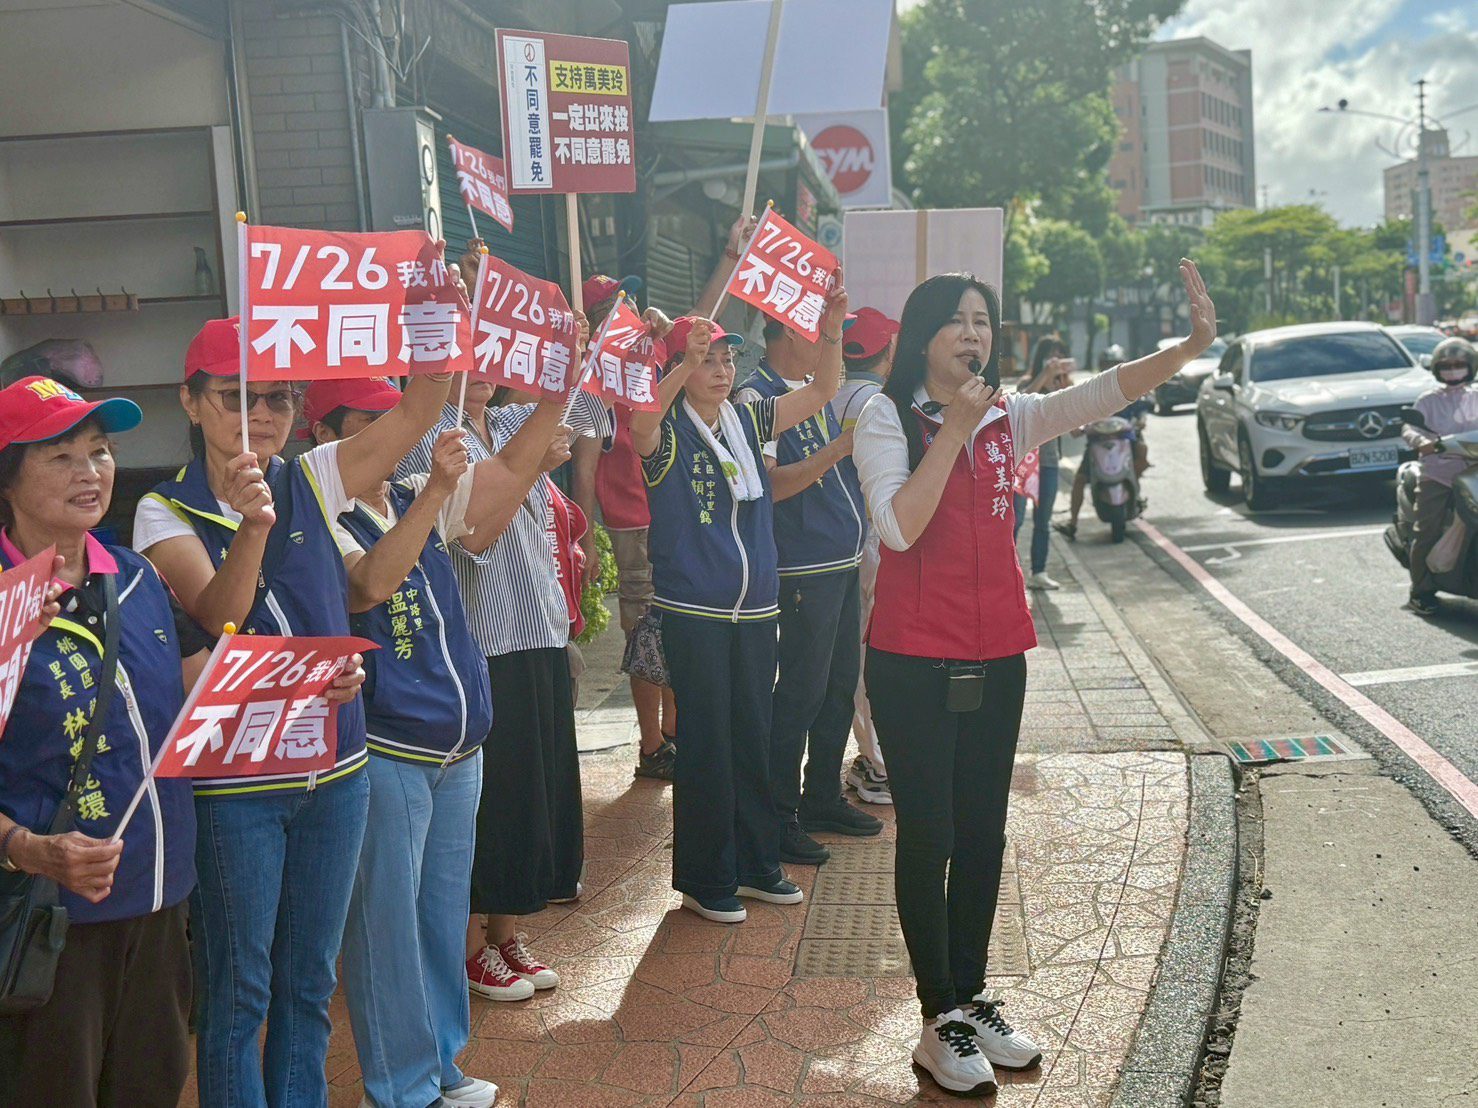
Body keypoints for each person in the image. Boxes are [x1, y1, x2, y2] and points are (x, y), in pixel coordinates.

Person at [853, 262, 1216, 1097]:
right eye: (958, 320)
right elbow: (897, 528)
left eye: (983, 320)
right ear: (924, 335)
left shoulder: (1009, 417)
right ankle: (937, 1017)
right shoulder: (884, 416)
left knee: (984, 834)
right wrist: (952, 430)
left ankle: (971, 996)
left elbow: (1101, 393)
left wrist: (1188, 348)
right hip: (911, 660)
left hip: (997, 654)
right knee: (932, 834)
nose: (974, 334)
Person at [134, 318, 447, 1107]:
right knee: (239, 991)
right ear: (191, 402)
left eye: (278, 399)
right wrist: (253, 523)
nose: (260, 415)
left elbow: (419, 411)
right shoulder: (163, 510)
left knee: (308, 983)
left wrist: (435, 316)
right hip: (236, 785)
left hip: (336, 772)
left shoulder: (315, 474)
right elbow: (219, 615)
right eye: (235, 397)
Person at [307, 376, 560, 1108]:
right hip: (390, 749)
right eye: (365, 425)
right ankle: (399, 1087)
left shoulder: (411, 493)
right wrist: (434, 495)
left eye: (392, 419)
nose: (386, 437)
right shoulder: (320, 513)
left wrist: (557, 392)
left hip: (457, 750)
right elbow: (369, 585)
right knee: (386, 926)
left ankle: (442, 1065)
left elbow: (508, 473)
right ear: (324, 438)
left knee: (441, 917)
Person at [0, 377, 199, 1107]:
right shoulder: (3, 605)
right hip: (48, 920)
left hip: (160, 895)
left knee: (150, 1085)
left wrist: (309, 688)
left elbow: (201, 696)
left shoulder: (138, 578)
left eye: (101, 451)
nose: (90, 472)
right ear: (7, 480)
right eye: (60, 456)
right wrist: (28, 848)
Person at [631, 299, 847, 924]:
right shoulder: (666, 431)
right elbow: (641, 424)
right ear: (680, 369)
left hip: (755, 608)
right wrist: (681, 363)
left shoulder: (748, 419)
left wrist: (831, 331)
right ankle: (705, 878)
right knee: (706, 743)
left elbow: (824, 388)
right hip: (694, 609)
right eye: (709, 360)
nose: (723, 370)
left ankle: (756, 863)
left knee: (753, 734)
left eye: (727, 359)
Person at [397, 364, 598, 1004]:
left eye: (490, 353)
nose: (480, 370)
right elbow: (474, 534)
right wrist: (531, 468)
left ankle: (508, 933)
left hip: (538, 626)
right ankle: (468, 946)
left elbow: (594, 404)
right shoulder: (430, 438)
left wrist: (577, 347)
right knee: (492, 797)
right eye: (465, 358)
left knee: (533, 789)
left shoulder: (515, 422)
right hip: (482, 639)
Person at [737, 314, 881, 866]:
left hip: (838, 560)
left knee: (839, 684)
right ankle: (779, 815)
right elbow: (770, 486)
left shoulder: (806, 391)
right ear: (792, 333)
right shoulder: (759, 397)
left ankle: (821, 795)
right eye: (820, 332)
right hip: (804, 567)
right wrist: (838, 449)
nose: (827, 345)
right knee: (801, 691)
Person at [569, 272, 679, 780]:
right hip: (633, 527)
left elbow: (699, 324)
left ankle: (674, 731)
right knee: (644, 635)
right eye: (615, 307)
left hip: (674, 515)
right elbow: (584, 470)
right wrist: (586, 540)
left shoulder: (648, 361)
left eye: (630, 303)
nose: (628, 313)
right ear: (597, 322)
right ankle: (651, 746)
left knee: (677, 625)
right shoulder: (593, 387)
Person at [831, 308, 899, 807]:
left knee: (851, 655)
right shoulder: (880, 403)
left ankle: (869, 757)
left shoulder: (824, 395)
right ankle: (878, 764)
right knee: (872, 654)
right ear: (888, 350)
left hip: (835, 543)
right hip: (874, 538)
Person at [1402, 336, 1478, 616]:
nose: (1453, 369)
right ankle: (1420, 591)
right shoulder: (1428, 400)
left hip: (1474, 472)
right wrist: (1421, 441)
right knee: (1427, 530)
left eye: (1459, 364)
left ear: (1470, 366)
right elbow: (1409, 428)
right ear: (1436, 369)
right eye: (1446, 365)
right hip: (1439, 474)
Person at [1054, 349, 1152, 542]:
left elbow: (1143, 409)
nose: (1111, 369)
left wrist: (1141, 420)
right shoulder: (1092, 390)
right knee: (1080, 479)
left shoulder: (1130, 387)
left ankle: (1135, 488)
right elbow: (1077, 418)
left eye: (1114, 364)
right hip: (1097, 443)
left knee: (1143, 450)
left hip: (1125, 442)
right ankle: (1072, 523)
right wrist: (1076, 425)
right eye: (1107, 365)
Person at [1013, 338, 1074, 589]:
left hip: (1048, 463)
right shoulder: (1027, 382)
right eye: (1051, 355)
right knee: (1015, 519)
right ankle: (1007, 571)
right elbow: (1022, 401)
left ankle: (1039, 572)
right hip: (1024, 464)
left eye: (1060, 355)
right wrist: (1044, 376)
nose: (1056, 360)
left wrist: (1066, 389)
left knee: (1043, 520)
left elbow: (1074, 425)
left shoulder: (1063, 388)